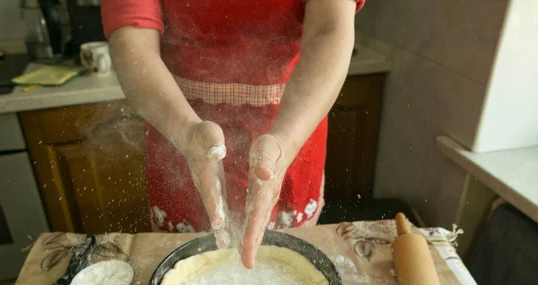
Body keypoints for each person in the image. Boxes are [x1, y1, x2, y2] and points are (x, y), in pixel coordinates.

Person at [102, 0, 364, 269]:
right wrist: (186, 132)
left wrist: (286, 142)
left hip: (291, 126)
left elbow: (329, 29)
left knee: (284, 264)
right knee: (190, 266)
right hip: (177, 127)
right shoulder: (182, 132)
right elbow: (133, 40)